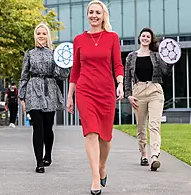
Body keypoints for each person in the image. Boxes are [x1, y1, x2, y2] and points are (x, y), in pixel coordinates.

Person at [66, 1, 124, 194]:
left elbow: (117, 65)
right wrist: (70, 96)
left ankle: (102, 166)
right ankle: (95, 178)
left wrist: (120, 84)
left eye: (97, 12)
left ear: (103, 15)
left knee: (106, 137)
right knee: (91, 132)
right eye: (91, 12)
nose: (94, 15)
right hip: (85, 91)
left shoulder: (112, 38)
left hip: (106, 90)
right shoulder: (79, 40)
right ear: (87, 15)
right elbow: (75, 70)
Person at [18, 22, 70, 174]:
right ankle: (39, 162)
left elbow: (61, 75)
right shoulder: (29, 53)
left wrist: (65, 64)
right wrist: (22, 96)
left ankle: (48, 154)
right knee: (37, 128)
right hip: (33, 89)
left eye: (44, 33)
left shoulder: (55, 53)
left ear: (48, 36)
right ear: (35, 35)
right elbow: (24, 76)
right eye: (39, 33)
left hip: (50, 89)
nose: (41, 36)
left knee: (48, 128)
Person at [124, 27, 173, 171]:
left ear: (151, 40)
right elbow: (127, 77)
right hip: (138, 92)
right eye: (143, 36)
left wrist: (170, 61)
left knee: (154, 124)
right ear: (139, 38)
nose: (145, 38)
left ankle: (155, 157)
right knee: (141, 127)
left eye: (148, 36)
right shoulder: (131, 57)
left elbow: (166, 71)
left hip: (155, 90)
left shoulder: (157, 55)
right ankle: (144, 154)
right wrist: (128, 95)